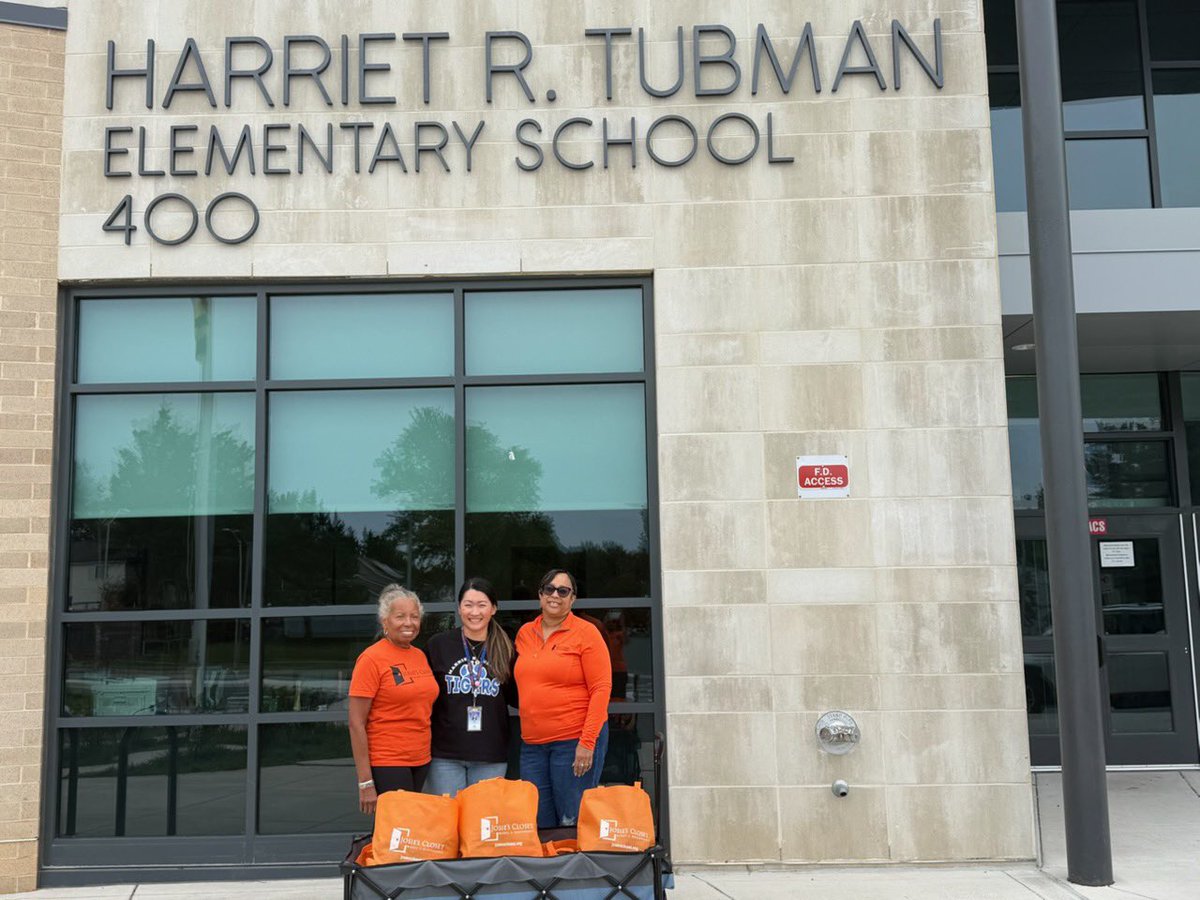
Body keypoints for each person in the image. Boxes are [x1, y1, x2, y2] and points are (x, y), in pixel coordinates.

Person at [515, 568, 612, 828]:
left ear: (573, 599)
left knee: (572, 821)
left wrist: (587, 742)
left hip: (572, 742)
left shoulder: (587, 633)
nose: (555, 595)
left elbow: (601, 688)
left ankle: (575, 871)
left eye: (563, 590)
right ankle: (548, 870)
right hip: (533, 745)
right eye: (549, 589)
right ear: (540, 595)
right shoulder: (525, 634)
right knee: (539, 821)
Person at [348, 584, 438, 815]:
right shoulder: (371, 659)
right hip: (388, 760)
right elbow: (356, 723)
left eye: (414, 616)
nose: (408, 623)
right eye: (400, 616)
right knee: (397, 831)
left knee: (408, 833)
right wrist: (365, 782)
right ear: (384, 621)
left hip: (420, 759)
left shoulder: (419, 656)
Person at [425, 577, 517, 797]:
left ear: (493, 608)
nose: (474, 612)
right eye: (468, 605)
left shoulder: (507, 649)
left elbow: (519, 697)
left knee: (481, 825)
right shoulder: (438, 645)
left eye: (482, 604)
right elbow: (423, 696)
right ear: (459, 608)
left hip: (490, 754)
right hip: (445, 755)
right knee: (448, 823)